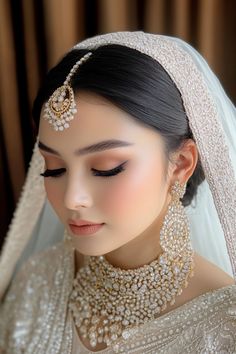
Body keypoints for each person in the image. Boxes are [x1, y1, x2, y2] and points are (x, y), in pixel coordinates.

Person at [0, 31, 235, 353]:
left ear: (180, 163)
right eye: (53, 168)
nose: (72, 198)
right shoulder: (39, 281)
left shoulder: (224, 327)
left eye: (106, 168)